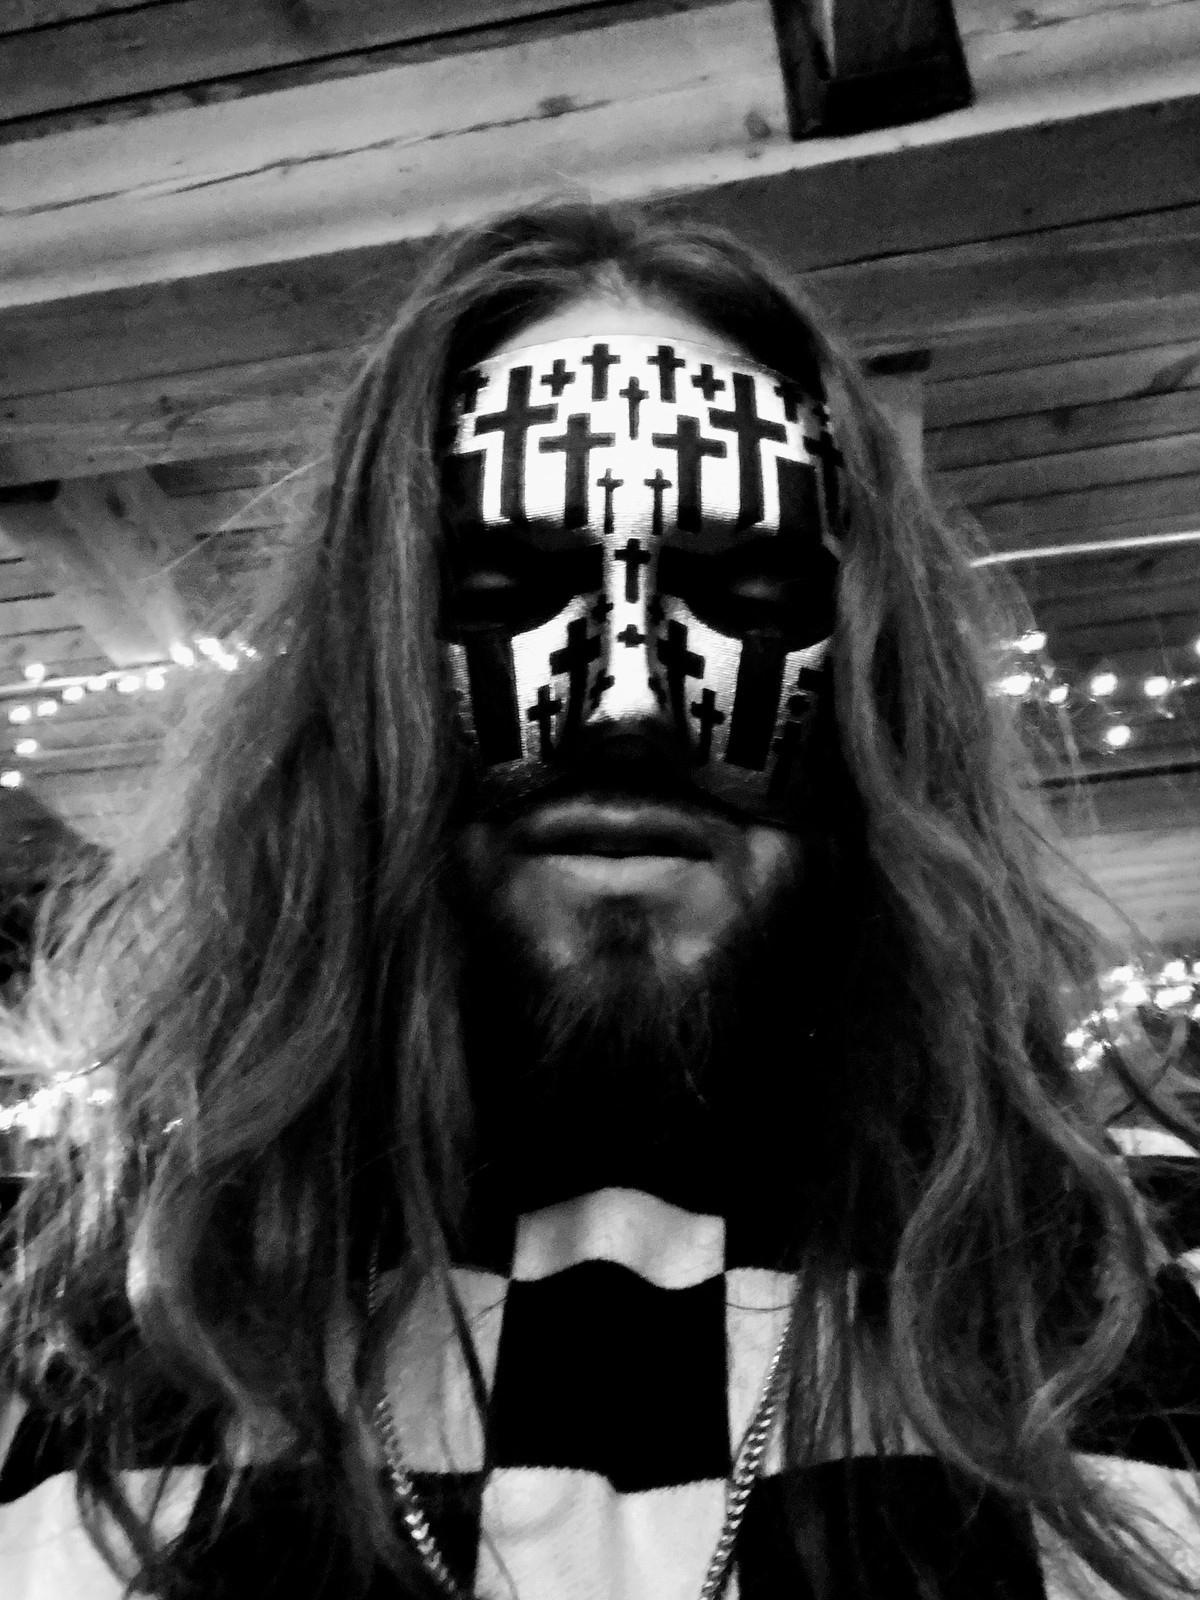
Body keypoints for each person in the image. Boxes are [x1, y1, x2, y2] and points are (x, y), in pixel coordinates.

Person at [1, 199, 1199, 1600]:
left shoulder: (1097, 1326)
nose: (628, 697)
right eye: (500, 586)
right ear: (365, 676)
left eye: (748, 591)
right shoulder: (113, 1338)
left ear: (871, 687)